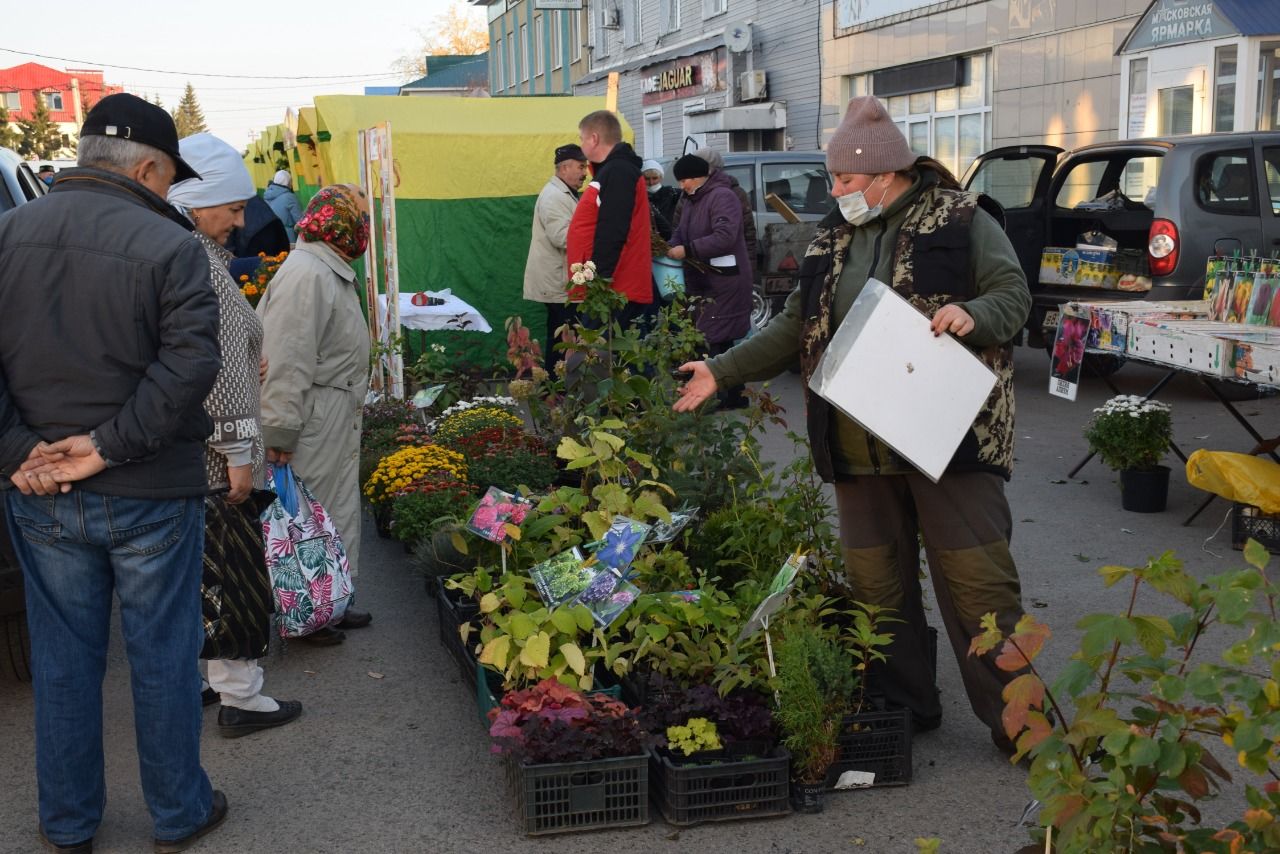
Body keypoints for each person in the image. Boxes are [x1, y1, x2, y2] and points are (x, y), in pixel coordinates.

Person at [673, 96, 1032, 752]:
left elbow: (1013, 295)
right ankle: (908, 704)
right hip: (857, 448)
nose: (833, 191)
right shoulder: (832, 235)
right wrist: (721, 371)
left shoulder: (962, 220)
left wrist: (970, 314)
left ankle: (1021, 725)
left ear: (887, 174)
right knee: (877, 588)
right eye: (834, 180)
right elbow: (791, 326)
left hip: (946, 440)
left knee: (978, 588)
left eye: (844, 180)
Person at [0, 93, 227, 852]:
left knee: (63, 661)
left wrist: (20, 453)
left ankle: (67, 823)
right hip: (148, 489)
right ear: (151, 167)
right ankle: (177, 811)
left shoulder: (8, 233)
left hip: (43, 493)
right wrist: (106, 446)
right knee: (162, 655)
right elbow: (190, 365)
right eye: (170, 179)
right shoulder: (170, 246)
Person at [168, 133, 303, 738]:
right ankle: (242, 698)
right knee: (232, 574)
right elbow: (219, 374)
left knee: (195, 575)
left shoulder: (182, 253)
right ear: (201, 205)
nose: (242, 220)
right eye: (233, 207)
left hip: (183, 454)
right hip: (216, 458)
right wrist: (240, 457)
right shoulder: (202, 263)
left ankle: (202, 679)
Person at [258, 184, 372, 646]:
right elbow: (286, 357)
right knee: (308, 517)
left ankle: (333, 602)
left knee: (332, 508)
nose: (365, 226)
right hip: (313, 415)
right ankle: (307, 614)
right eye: (361, 216)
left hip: (330, 411)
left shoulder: (325, 267)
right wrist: (280, 429)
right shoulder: (308, 273)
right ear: (338, 221)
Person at [666, 153, 752, 409]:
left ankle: (726, 395)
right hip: (706, 279)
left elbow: (725, 236)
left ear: (699, 176)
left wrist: (688, 250)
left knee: (715, 337)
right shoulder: (693, 199)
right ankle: (734, 395)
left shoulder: (722, 196)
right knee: (719, 338)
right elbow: (681, 231)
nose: (682, 186)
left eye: (685, 180)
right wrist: (670, 245)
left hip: (726, 281)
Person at [566, 110, 653, 328]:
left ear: (594, 139)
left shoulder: (619, 172)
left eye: (582, 138)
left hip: (615, 289)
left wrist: (597, 281)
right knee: (605, 356)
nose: (581, 144)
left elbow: (613, 232)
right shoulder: (610, 171)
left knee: (604, 356)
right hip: (613, 286)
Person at [524, 144, 588, 374]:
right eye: (581, 167)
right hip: (559, 281)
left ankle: (558, 389)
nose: (585, 172)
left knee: (562, 335)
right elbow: (562, 237)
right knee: (564, 338)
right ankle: (560, 390)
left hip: (562, 279)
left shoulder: (564, 193)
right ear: (564, 168)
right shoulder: (553, 197)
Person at [673, 148, 757, 281]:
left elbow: (746, 234)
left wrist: (749, 269)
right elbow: (680, 228)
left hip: (724, 273)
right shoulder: (689, 197)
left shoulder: (727, 194)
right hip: (699, 272)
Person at [642, 158, 678, 240]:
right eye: (647, 179)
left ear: (661, 177)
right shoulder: (639, 197)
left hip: (671, 238)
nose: (651, 182)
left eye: (654, 178)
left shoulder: (673, 194)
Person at [264, 169, 303, 243]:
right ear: (287, 182)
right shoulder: (289, 197)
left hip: (272, 236)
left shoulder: (266, 196)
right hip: (288, 237)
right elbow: (300, 220)